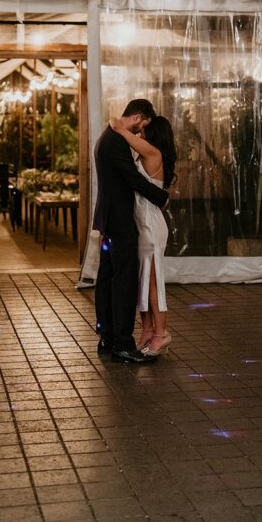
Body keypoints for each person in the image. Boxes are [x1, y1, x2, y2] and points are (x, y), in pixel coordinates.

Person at [93, 99, 169, 364]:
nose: (142, 133)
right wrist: (162, 197)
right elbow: (132, 179)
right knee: (124, 281)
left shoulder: (108, 136)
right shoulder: (116, 140)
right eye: (143, 125)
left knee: (108, 278)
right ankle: (123, 344)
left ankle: (108, 336)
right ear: (138, 117)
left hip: (110, 218)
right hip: (121, 220)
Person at [109, 114, 176, 357]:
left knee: (153, 284)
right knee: (143, 283)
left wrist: (121, 125)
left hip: (150, 225)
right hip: (143, 224)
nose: (140, 132)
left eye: (145, 129)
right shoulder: (150, 153)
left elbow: (122, 132)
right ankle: (148, 330)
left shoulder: (153, 153)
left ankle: (161, 333)